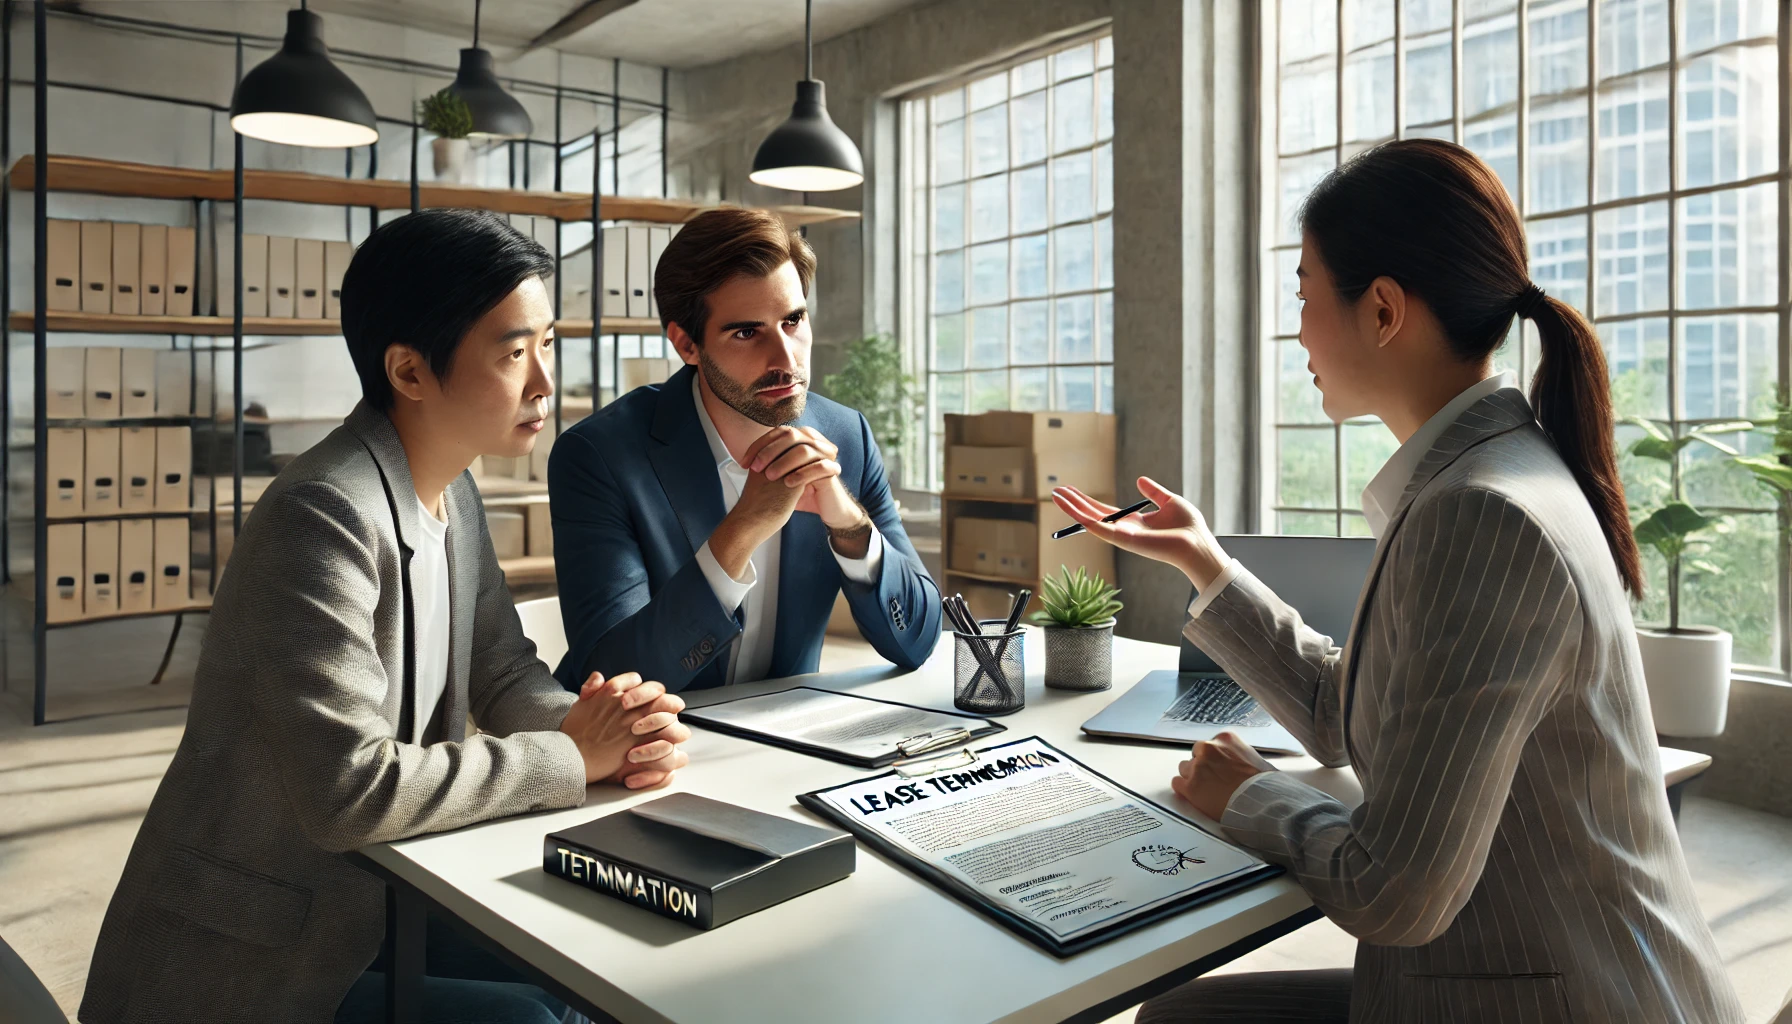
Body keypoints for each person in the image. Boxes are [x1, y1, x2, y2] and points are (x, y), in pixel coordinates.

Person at [1052, 140, 1743, 1023]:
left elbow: (1398, 895)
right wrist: (1204, 561)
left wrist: (1253, 794)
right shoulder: (1487, 472)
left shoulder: (1478, 513)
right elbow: (1350, 716)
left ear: (1382, 309)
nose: (1298, 330)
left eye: (1305, 297)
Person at [80, 209, 691, 1024]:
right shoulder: (324, 513)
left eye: (548, 344)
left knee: (602, 965)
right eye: (515, 353)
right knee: (545, 1019)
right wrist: (571, 757)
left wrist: (610, 730)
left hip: (381, 892)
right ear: (408, 371)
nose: (545, 382)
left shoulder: (453, 488)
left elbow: (503, 670)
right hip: (255, 948)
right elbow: (348, 789)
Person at [548, 207, 940, 692]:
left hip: (783, 747)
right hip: (647, 752)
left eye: (793, 320)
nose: (785, 359)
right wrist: (743, 528)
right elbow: (613, 678)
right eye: (747, 332)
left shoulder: (847, 436)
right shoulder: (598, 455)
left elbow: (920, 640)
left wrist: (850, 525)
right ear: (687, 344)